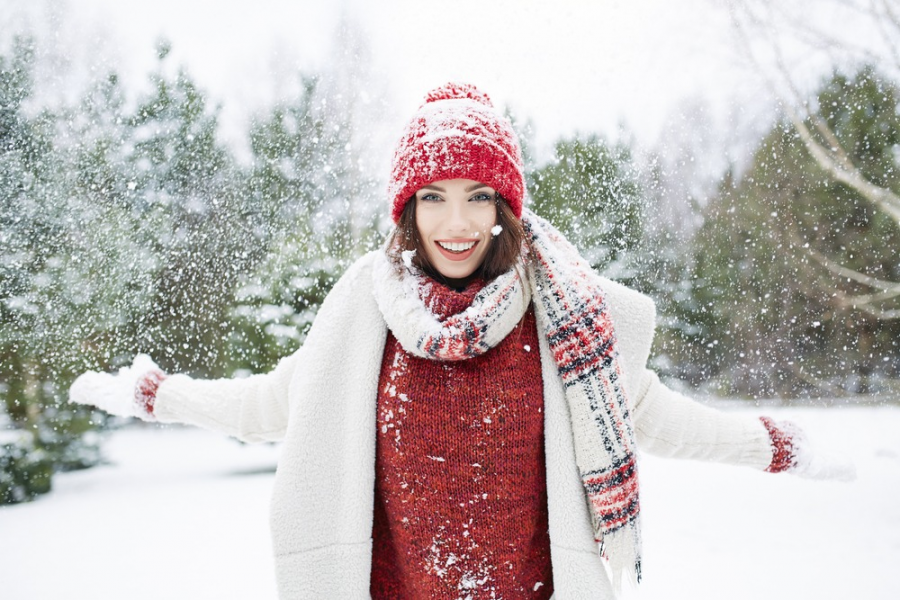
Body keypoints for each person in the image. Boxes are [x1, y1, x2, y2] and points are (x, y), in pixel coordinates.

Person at [70, 82, 853, 600]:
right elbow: (273, 404)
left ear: (506, 207)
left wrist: (776, 445)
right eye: (433, 197)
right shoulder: (364, 314)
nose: (456, 222)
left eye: (479, 196)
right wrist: (160, 395)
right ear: (406, 209)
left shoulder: (561, 318)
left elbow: (650, 414)